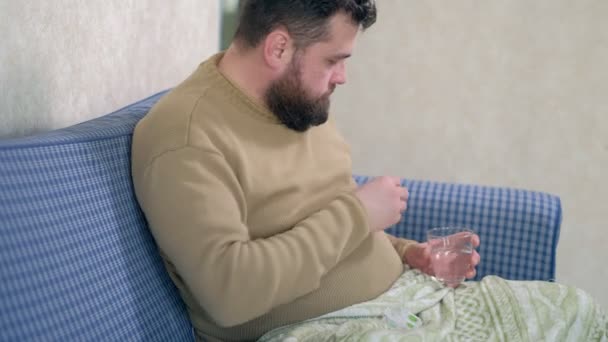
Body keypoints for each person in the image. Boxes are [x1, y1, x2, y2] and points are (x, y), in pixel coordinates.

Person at [132, 1, 605, 341]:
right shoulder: (187, 137)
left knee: (577, 309)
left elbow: (319, 216)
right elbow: (229, 293)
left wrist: (407, 253)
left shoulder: (296, 101)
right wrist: (361, 214)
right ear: (278, 48)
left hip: (403, 301)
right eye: (334, 60)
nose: (342, 77)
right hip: (321, 329)